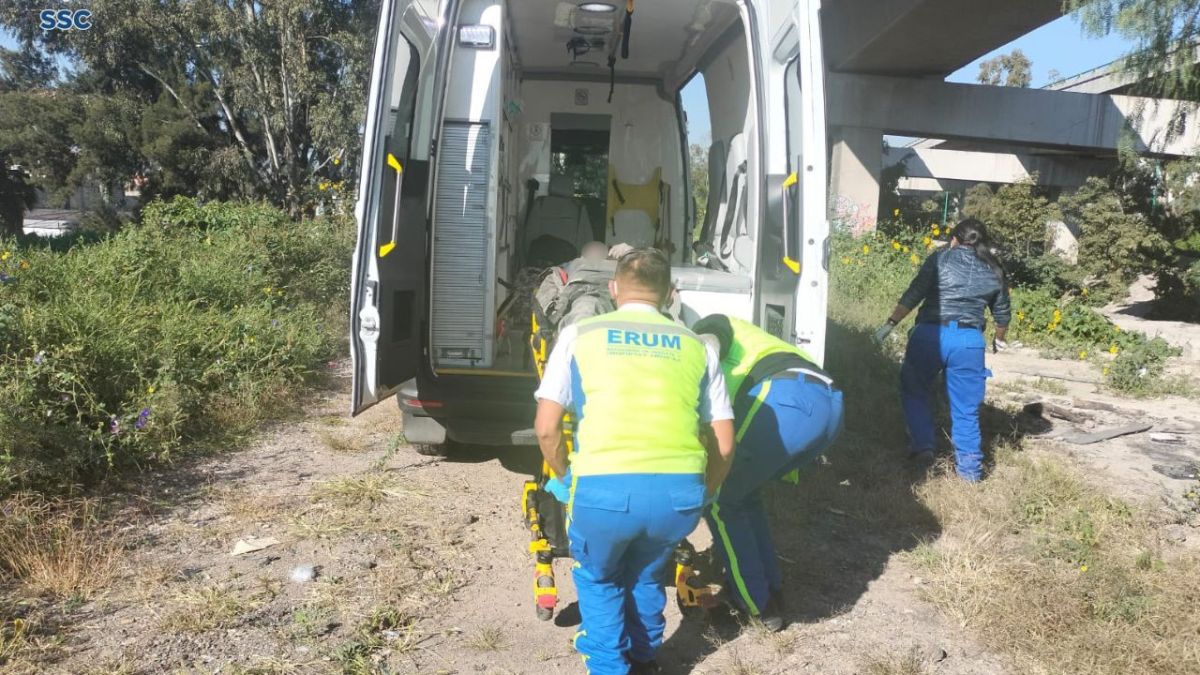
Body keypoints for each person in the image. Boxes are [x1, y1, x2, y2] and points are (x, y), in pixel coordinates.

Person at [533, 248, 736, 674]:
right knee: (646, 573)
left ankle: (609, 666)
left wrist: (566, 478)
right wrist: (709, 490)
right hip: (677, 495)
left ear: (613, 289)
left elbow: (547, 428)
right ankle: (644, 659)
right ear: (670, 294)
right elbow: (724, 443)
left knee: (599, 577)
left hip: (604, 491)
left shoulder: (580, 335)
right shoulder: (698, 346)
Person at [691, 314, 844, 631]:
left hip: (786, 397)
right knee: (743, 496)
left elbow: (704, 354)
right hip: (825, 404)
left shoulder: (708, 326)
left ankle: (755, 604)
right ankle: (769, 589)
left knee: (719, 499)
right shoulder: (749, 338)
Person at [872, 218, 1011, 482]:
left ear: (955, 239)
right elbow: (1002, 313)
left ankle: (923, 447)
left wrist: (890, 324)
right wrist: (999, 338)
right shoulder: (994, 268)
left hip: (930, 335)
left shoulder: (940, 258)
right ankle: (970, 473)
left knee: (914, 390)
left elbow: (914, 293)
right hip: (969, 340)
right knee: (966, 408)